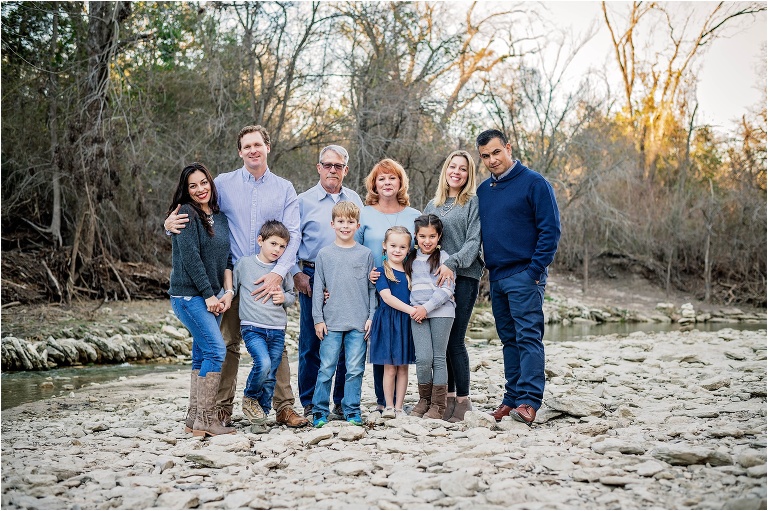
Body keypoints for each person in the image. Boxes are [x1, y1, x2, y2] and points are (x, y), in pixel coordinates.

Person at [164, 125, 308, 429]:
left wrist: (279, 273)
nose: (253, 150)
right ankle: (219, 409)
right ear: (240, 151)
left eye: (258, 144)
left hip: (267, 277)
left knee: (275, 343)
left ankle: (283, 407)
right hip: (229, 279)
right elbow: (196, 211)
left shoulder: (284, 188)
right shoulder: (222, 184)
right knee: (227, 343)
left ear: (268, 147)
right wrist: (168, 224)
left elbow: (293, 236)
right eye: (247, 146)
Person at [475, 129, 561, 426]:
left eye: (496, 152)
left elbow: (550, 231)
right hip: (497, 276)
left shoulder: (534, 183)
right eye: (485, 156)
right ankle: (510, 398)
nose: (492, 160)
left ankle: (528, 401)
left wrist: (535, 270)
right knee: (508, 341)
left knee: (528, 338)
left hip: (525, 273)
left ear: (508, 148)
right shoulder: (484, 190)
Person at [293, 145, 364, 420]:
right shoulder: (303, 201)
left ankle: (342, 402)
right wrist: (295, 274)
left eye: (338, 166)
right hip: (311, 277)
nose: (332, 170)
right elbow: (290, 243)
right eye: (327, 165)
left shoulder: (355, 199)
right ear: (318, 167)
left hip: (349, 278)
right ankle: (310, 402)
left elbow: (363, 238)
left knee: (347, 341)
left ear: (345, 170)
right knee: (312, 342)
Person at [167, 162, 235, 437]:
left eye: (203, 183)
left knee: (201, 354)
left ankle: (194, 419)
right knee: (217, 351)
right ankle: (208, 419)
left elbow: (227, 259)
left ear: (211, 183)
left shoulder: (220, 217)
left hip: (215, 296)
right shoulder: (185, 214)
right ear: (186, 190)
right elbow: (191, 259)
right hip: (189, 296)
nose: (199, 189)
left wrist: (227, 292)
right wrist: (209, 295)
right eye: (192, 185)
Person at [423, 150, 484, 422]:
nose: (456, 172)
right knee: (440, 341)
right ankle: (444, 398)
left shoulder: (472, 203)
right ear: (445, 170)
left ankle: (463, 401)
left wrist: (454, 263)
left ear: (469, 174)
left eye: (463, 169)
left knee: (456, 340)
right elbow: (422, 241)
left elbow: (474, 241)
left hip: (465, 275)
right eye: (452, 167)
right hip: (435, 280)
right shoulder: (432, 205)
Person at [355, 158, 421, 411]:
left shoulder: (413, 215)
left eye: (392, 177)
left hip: (403, 285)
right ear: (373, 183)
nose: (387, 182)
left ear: (400, 182)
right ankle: (382, 401)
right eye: (381, 178)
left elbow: (420, 252)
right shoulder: (364, 213)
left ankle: (395, 404)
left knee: (400, 348)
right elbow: (357, 250)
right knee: (378, 341)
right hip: (372, 285)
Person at [311, 201, 376, 428]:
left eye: (350, 222)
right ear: (332, 224)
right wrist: (318, 319)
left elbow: (371, 289)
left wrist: (371, 316)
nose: (345, 226)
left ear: (357, 225)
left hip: (359, 323)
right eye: (340, 222)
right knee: (326, 368)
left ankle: (352, 410)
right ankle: (319, 411)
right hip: (331, 322)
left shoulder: (366, 255)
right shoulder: (324, 255)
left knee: (355, 369)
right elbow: (318, 289)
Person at [232, 220, 296, 434]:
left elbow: (291, 296)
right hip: (253, 327)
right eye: (273, 244)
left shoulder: (282, 270)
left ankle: (260, 415)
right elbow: (232, 288)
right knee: (263, 363)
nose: (277, 250)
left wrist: (283, 297)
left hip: (277, 329)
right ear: (260, 240)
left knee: (271, 373)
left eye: (282, 247)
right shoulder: (245, 264)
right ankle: (250, 397)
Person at [405, 214, 455, 420]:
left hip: (441, 312)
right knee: (423, 358)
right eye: (422, 236)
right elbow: (388, 263)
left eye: (432, 236)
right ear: (415, 237)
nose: (427, 241)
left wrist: (426, 308)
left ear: (439, 236)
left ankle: (438, 405)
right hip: (417, 313)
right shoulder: (410, 259)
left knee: (438, 358)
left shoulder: (444, 259)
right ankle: (424, 399)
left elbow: (447, 289)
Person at [368, 226, 416, 418]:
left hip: (405, 324)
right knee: (389, 367)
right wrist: (412, 311)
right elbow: (387, 298)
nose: (397, 250)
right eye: (393, 245)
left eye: (402, 247)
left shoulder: (411, 273)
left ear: (408, 249)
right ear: (384, 246)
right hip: (388, 322)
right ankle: (388, 406)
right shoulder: (381, 272)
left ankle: (399, 406)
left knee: (403, 367)